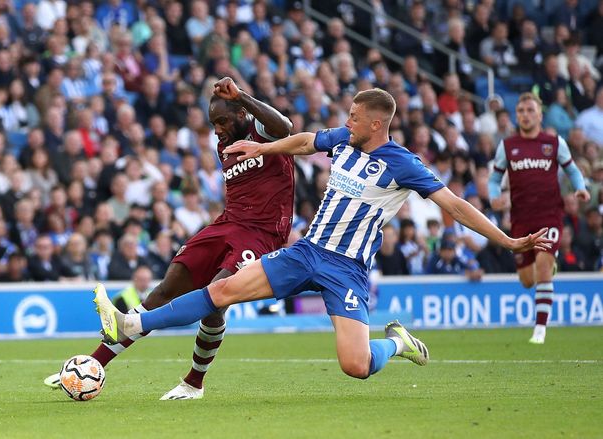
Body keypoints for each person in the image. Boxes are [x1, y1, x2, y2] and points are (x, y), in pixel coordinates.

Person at [92, 88, 550, 384]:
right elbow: (302, 139)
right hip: (306, 252)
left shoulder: (402, 163)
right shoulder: (344, 141)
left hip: (345, 269)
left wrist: (508, 242)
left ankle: (398, 343)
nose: (346, 121)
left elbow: (455, 205)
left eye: (353, 116)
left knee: (356, 366)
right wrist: (261, 146)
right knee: (223, 289)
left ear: (376, 123)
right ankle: (133, 323)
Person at [45, 77, 294, 400]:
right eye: (212, 123)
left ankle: (193, 382)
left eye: (222, 121)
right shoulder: (224, 145)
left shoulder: (262, 133)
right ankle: (90, 365)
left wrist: (242, 96)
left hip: (262, 232)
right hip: (228, 223)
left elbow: (286, 127)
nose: (217, 129)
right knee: (166, 287)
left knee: (216, 297)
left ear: (242, 115)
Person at [488, 92, 590, 345]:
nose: (525, 115)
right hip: (521, 219)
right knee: (526, 280)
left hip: (550, 216)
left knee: (543, 268)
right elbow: (493, 179)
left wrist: (580, 187)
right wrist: (494, 196)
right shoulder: (508, 146)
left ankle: (540, 330)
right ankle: (546, 267)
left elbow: (572, 170)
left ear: (540, 115)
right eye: (521, 110)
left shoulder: (554, 143)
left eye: (530, 110)